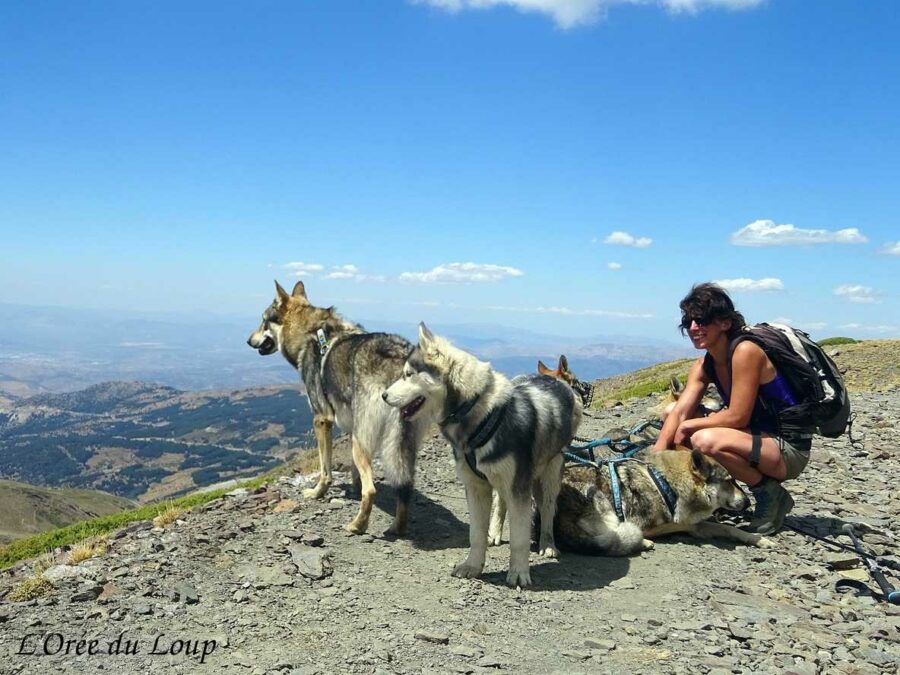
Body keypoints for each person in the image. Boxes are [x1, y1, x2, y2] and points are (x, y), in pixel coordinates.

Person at [652, 283, 813, 535]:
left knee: (704, 440)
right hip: (756, 438)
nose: (694, 328)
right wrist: (655, 458)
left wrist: (687, 427)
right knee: (673, 417)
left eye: (702, 320)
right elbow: (680, 411)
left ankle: (771, 496)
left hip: (787, 449)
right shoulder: (706, 363)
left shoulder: (746, 351)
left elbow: (738, 416)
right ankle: (700, 494)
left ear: (724, 323)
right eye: (689, 322)